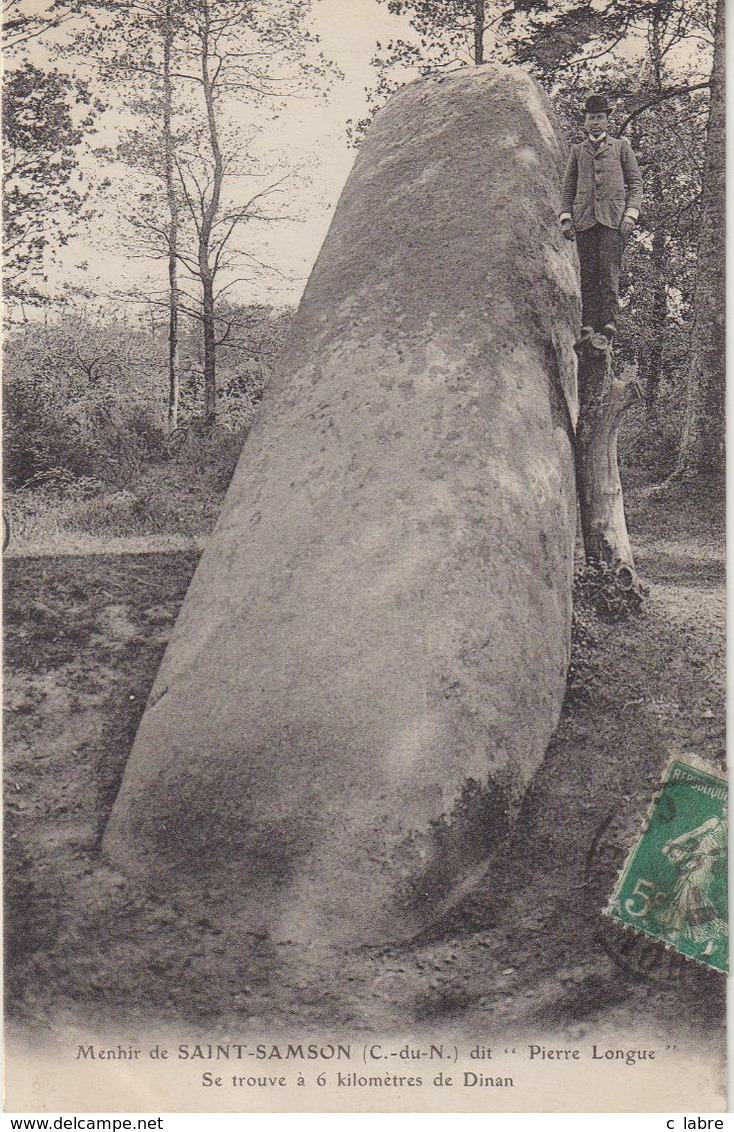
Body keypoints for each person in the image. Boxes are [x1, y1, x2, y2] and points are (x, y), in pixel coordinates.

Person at [559, 94, 643, 345]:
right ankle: (588, 324)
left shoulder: (621, 147)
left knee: (609, 271)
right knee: (588, 274)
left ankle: (609, 322)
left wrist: (631, 214)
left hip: (613, 220)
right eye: (591, 118)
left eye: (600, 118)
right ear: (584, 122)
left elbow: (636, 183)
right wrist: (565, 218)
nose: (595, 122)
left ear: (607, 120)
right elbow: (567, 188)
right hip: (584, 220)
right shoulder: (577, 151)